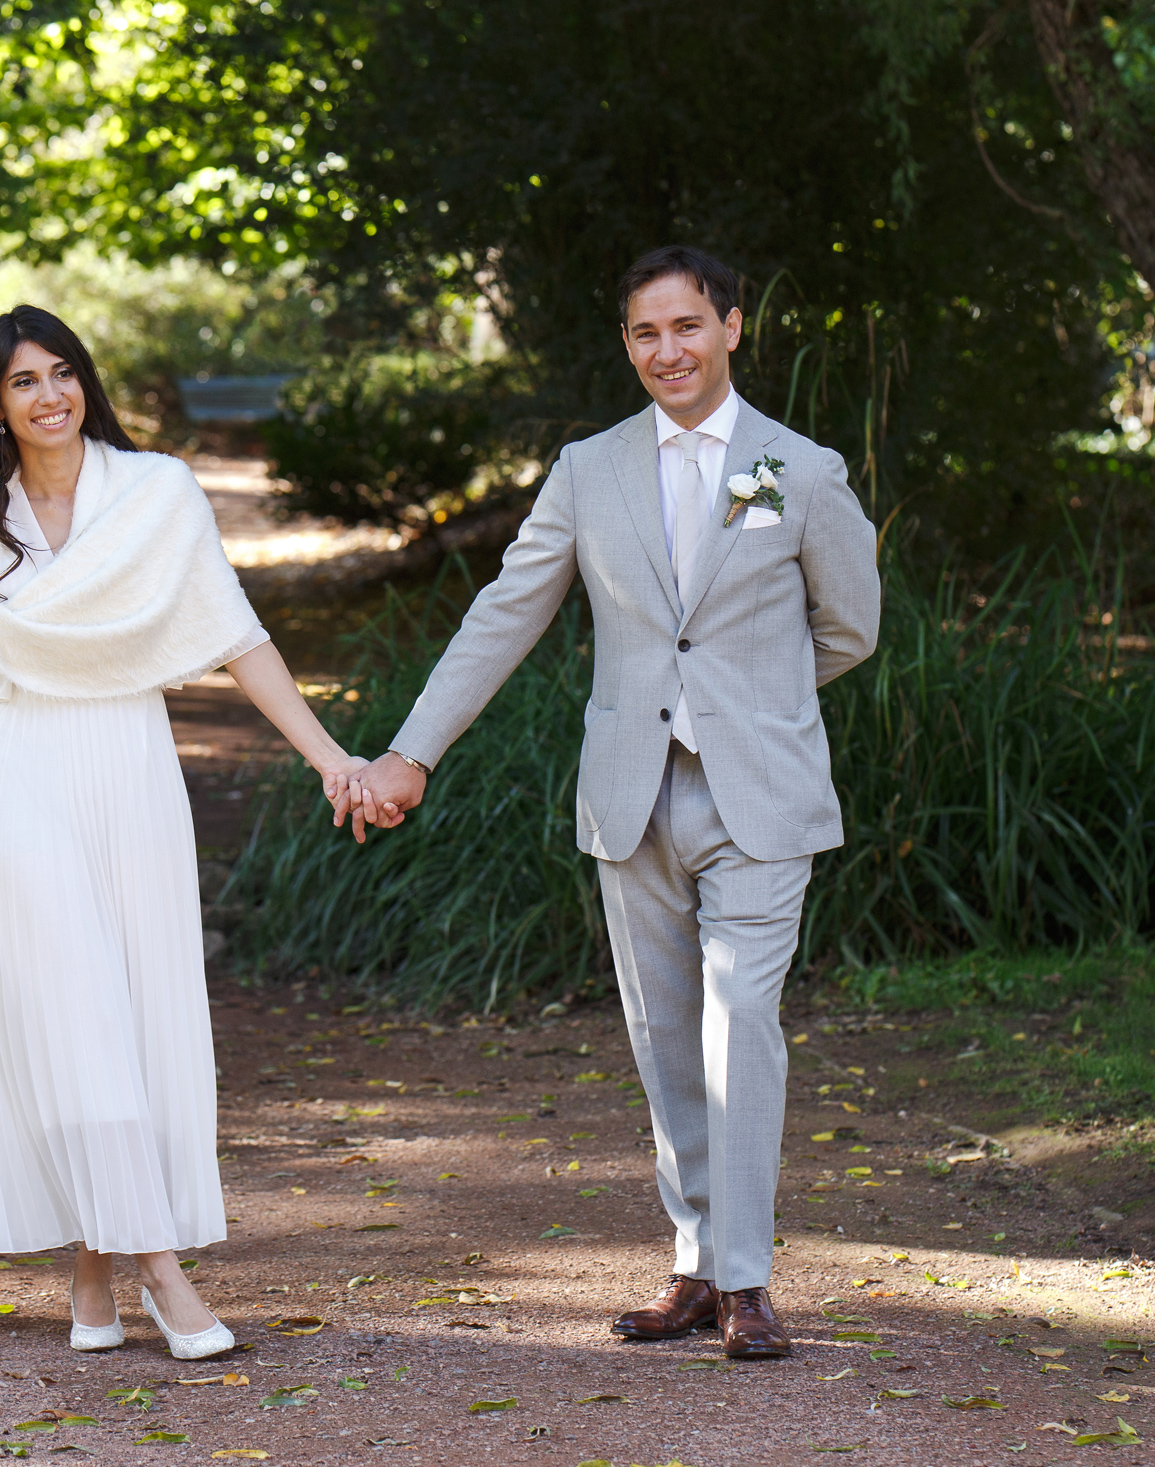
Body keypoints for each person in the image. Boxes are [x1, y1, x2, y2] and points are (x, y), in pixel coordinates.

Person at [344, 246, 880, 1359]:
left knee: (741, 1028)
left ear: (731, 328)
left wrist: (750, 701)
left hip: (758, 799)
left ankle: (745, 1283)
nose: (666, 351)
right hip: (630, 795)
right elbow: (507, 612)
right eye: (644, 334)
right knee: (663, 1038)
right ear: (627, 345)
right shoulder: (589, 470)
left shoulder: (801, 469)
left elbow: (849, 628)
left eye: (686, 327)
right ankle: (693, 1266)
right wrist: (413, 752)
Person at [0, 305, 367, 1361]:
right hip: (24, 778)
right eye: (23, 381)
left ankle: (89, 1269)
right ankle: (162, 1272)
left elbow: (233, 632)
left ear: (87, 384)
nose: (48, 395)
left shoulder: (157, 493)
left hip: (131, 768)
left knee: (132, 1018)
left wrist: (328, 756)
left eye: (63, 373)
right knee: (71, 1015)